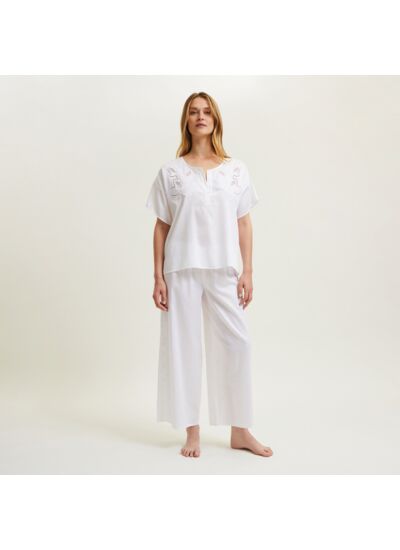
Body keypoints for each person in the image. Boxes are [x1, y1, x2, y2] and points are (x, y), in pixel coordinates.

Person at [145, 92, 273, 459]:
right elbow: (161, 226)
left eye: (206, 112)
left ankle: (240, 430)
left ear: (215, 120)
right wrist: (158, 277)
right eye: (193, 112)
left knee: (238, 343)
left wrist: (248, 271)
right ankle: (192, 431)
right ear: (186, 121)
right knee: (184, 348)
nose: (200, 116)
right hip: (181, 268)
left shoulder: (235, 170)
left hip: (223, 268)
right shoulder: (171, 172)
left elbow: (244, 222)